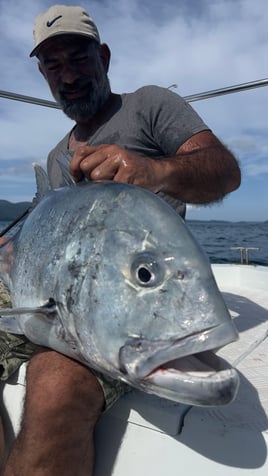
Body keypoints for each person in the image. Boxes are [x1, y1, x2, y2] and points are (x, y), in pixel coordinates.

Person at [1, 4, 241, 476]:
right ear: (43, 73)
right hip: (50, 300)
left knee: (54, 385)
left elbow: (225, 171)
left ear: (104, 57)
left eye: (78, 57)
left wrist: (156, 170)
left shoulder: (149, 105)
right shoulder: (56, 157)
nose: (68, 75)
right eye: (54, 64)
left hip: (122, 312)